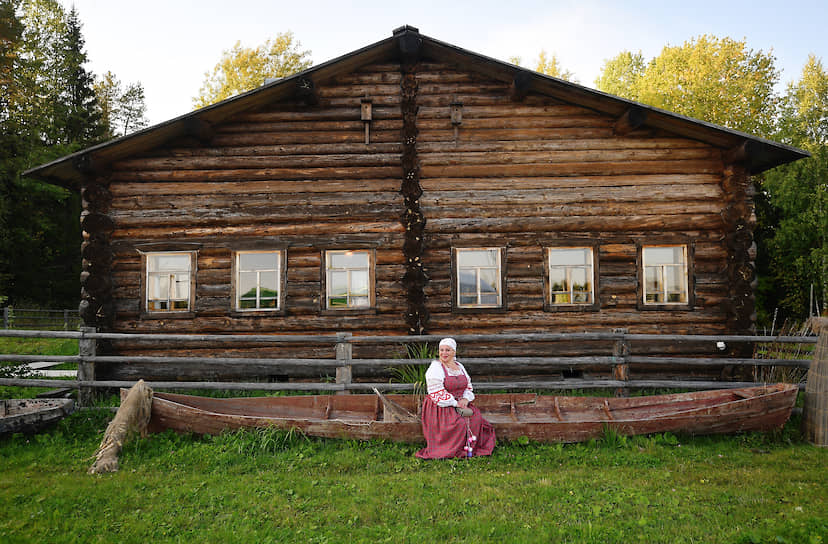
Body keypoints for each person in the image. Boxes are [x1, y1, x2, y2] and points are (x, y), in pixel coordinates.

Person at [416, 337, 496, 459]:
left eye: (447, 350)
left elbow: (468, 385)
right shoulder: (435, 368)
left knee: (476, 418)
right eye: (441, 350)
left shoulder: (459, 366)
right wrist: (454, 403)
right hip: (441, 406)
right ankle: (452, 450)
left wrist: (465, 399)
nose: (444, 353)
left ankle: (468, 448)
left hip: (460, 403)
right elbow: (436, 391)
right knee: (459, 423)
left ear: (454, 352)